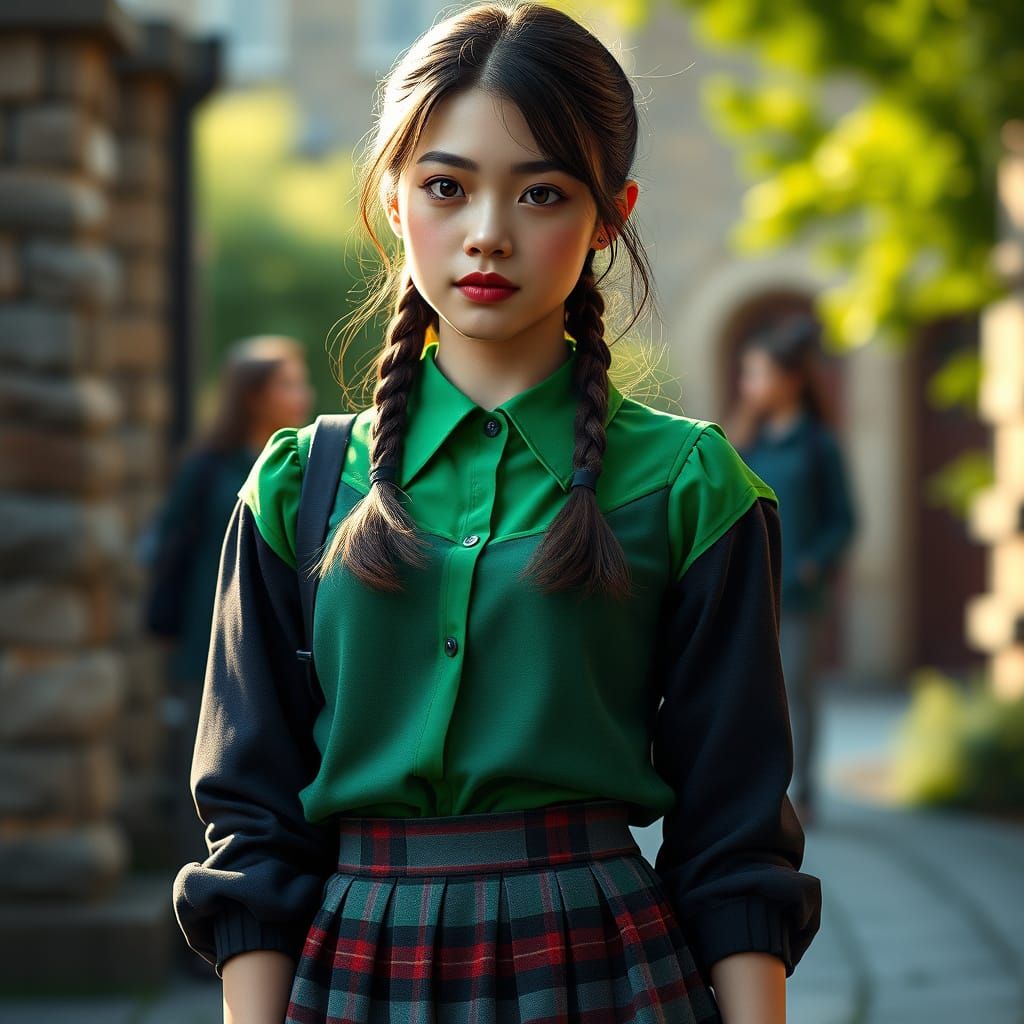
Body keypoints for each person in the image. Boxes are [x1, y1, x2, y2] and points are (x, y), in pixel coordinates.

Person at [171, 4, 823, 1022]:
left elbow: (733, 829)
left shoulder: (692, 485)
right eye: (446, 184)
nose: (487, 233)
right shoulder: (298, 486)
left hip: (604, 963)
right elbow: (250, 823)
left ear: (610, 215)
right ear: (393, 196)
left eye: (542, 192)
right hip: (355, 973)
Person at [144, 334, 313, 876]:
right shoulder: (209, 468)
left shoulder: (310, 462)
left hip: (287, 650)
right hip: (207, 647)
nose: (303, 393)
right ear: (254, 395)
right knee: (212, 782)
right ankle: (201, 917)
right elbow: (165, 543)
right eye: (288, 382)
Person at [731, 314, 858, 829]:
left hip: (799, 594)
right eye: (746, 374)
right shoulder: (748, 443)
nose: (750, 386)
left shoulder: (818, 446)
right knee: (749, 691)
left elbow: (843, 521)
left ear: (792, 380)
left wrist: (812, 565)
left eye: (758, 374)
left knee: (796, 695)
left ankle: (802, 792)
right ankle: (755, 789)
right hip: (752, 591)